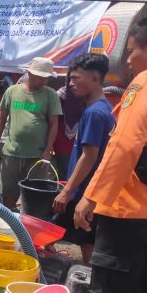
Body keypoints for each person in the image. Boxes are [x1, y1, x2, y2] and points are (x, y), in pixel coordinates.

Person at [73, 16, 147, 293]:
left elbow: (124, 146)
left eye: (132, 52)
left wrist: (91, 196)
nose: (127, 61)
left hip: (126, 208)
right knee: (144, 290)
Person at [50, 54, 114, 265]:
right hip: (90, 191)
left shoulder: (94, 113)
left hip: (81, 193)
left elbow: (89, 156)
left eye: (76, 78)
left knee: (46, 236)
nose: (70, 83)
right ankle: (88, 282)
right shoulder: (104, 109)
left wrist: (67, 191)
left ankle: (48, 278)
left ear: (95, 79)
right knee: (88, 240)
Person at [0, 57, 62, 208]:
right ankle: (9, 220)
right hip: (12, 152)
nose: (43, 81)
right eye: (40, 77)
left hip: (37, 156)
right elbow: (1, 119)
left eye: (46, 78)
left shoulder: (50, 94)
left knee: (34, 195)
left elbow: (53, 123)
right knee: (8, 192)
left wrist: (48, 149)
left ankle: (27, 224)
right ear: (29, 74)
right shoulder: (12, 91)